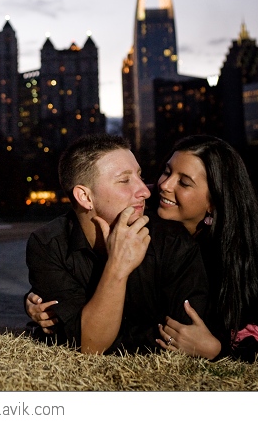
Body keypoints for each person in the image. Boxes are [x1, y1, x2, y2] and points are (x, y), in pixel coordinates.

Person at [28, 134, 258, 362]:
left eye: (185, 182)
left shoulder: (208, 251)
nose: (160, 186)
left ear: (214, 202)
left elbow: (186, 331)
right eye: (167, 172)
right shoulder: (141, 212)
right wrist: (52, 307)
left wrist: (216, 348)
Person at [25, 133, 209, 355]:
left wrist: (88, 329)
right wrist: (117, 267)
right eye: (124, 180)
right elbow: (89, 344)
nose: (145, 190)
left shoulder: (171, 240)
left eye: (140, 177)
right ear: (85, 197)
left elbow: (183, 334)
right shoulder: (48, 244)